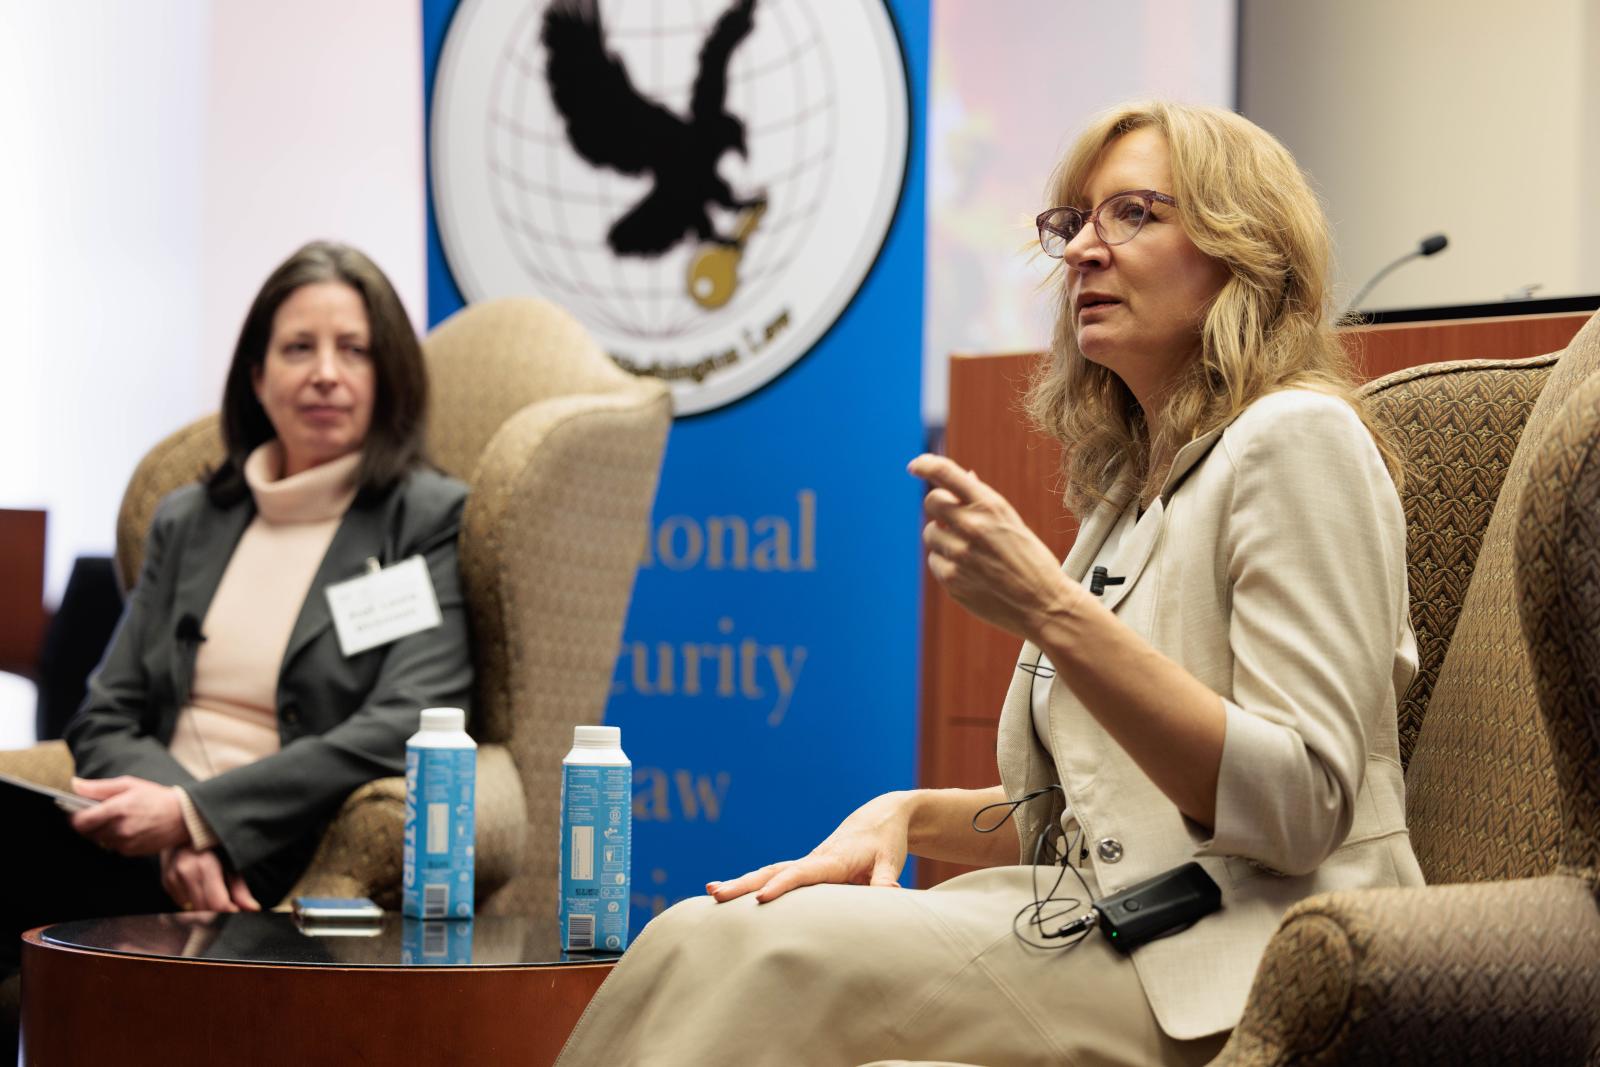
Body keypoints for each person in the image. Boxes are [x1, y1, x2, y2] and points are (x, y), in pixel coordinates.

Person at [554, 101, 1423, 1067]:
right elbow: (1096, 828)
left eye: (1133, 213)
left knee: (769, 952)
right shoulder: (1130, 497)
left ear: (1242, 251)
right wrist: (910, 814)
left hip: (1249, 965)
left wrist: (1051, 614)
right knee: (693, 930)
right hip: (1113, 929)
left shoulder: (1300, 438)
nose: (1085, 250)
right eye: (1077, 222)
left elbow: (1300, 805)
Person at [0, 241, 472, 1036]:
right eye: (298, 347)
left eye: (352, 349)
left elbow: (407, 718)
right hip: (139, 842)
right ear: (258, 375)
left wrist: (200, 815)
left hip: (279, 851)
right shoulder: (190, 518)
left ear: (386, 373)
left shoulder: (422, 518)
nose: (325, 371)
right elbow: (104, 713)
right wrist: (172, 831)